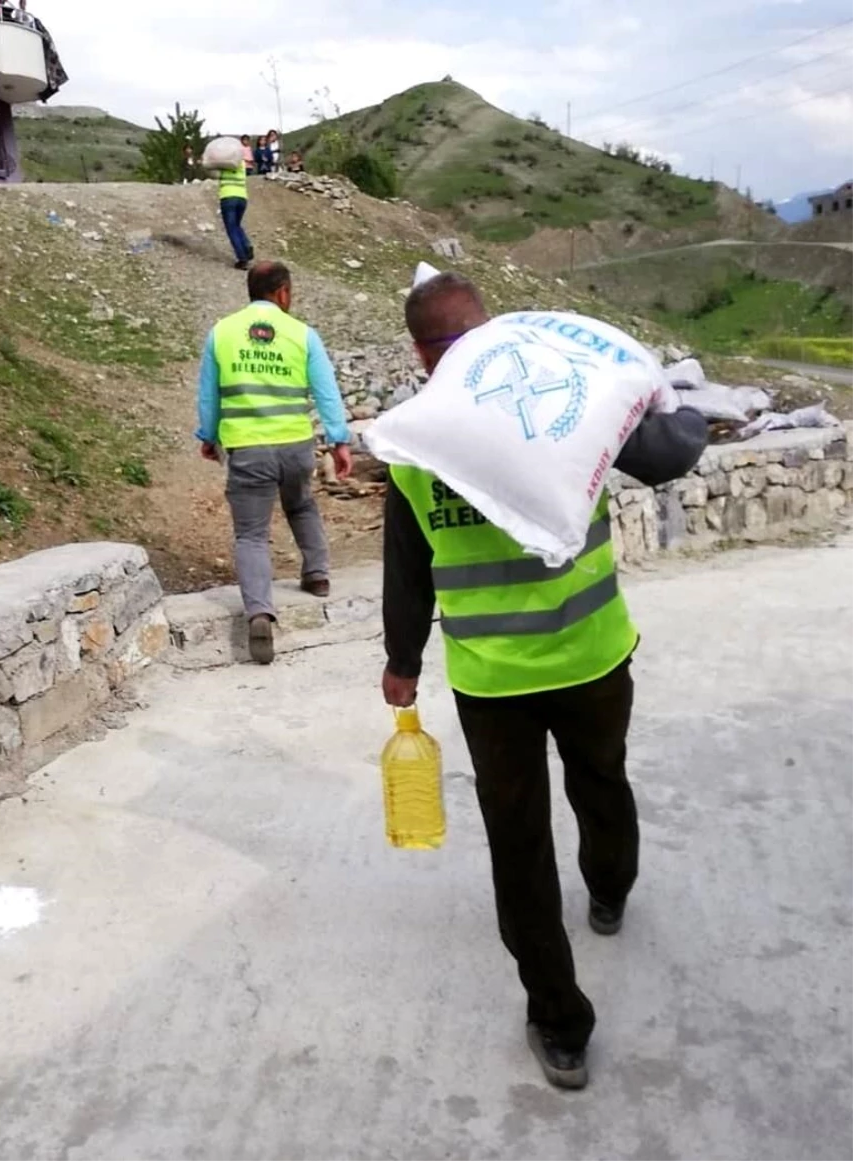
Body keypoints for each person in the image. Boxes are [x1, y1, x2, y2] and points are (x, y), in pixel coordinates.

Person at [380, 272, 709, 1091]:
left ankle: (559, 1026)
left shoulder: (417, 443)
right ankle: (609, 889)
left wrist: (402, 661)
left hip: (493, 685)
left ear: (423, 356)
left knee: (518, 845)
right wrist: (694, 402)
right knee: (602, 781)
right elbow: (669, 452)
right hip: (594, 654)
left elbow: (406, 567)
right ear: (494, 333)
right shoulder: (574, 402)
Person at [197, 261, 354, 663]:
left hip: (248, 450)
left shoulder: (222, 333)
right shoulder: (303, 335)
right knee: (301, 504)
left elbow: (209, 396)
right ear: (282, 292)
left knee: (251, 534)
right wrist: (339, 441)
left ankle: (260, 614)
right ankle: (317, 574)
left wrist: (208, 436)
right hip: (295, 447)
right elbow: (326, 392)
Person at [208, 148, 254, 270]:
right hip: (242, 198)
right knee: (237, 225)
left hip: (228, 198)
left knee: (231, 228)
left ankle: (242, 259)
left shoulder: (224, 165)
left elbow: (212, 173)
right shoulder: (242, 164)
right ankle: (247, 245)